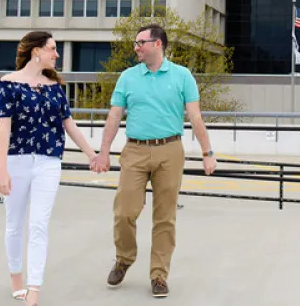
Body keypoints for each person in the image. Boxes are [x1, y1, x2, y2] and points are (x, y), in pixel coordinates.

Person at [90, 24, 217, 299]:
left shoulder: (183, 76)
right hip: (135, 150)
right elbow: (114, 116)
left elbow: (195, 117)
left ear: (157, 44)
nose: (136, 47)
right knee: (124, 211)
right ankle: (124, 259)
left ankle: (159, 274)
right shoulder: (127, 77)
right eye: (136, 43)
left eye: (141, 42)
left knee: (165, 218)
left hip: (170, 150)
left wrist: (207, 153)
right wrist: (103, 152)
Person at [0, 31, 98, 306]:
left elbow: (69, 124)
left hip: (49, 161)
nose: (57, 54)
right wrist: (1, 170)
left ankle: (34, 288)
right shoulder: (7, 84)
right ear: (36, 52)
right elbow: (4, 130)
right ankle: (16, 276)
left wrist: (91, 154)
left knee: (39, 224)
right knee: (14, 223)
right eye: (53, 49)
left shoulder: (54, 87)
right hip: (17, 160)